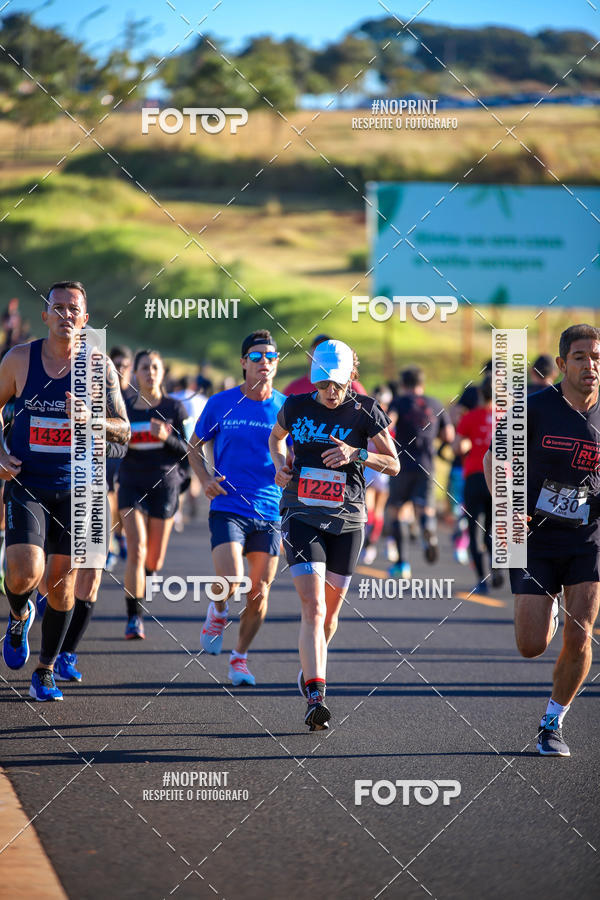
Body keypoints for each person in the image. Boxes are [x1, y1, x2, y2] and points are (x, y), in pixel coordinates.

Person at [0, 281, 130, 700]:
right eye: (57, 307)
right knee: (24, 570)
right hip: (27, 482)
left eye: (73, 309)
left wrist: (91, 420)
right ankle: (20, 615)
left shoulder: (99, 367)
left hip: (81, 490)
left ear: (85, 319)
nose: (65, 315)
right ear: (45, 315)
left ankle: (45, 669)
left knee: (60, 584)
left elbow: (123, 432)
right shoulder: (20, 359)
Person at [483, 324, 600, 757]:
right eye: (581, 357)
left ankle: (553, 722)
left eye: (597, 358)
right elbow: (492, 458)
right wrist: (507, 504)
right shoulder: (531, 408)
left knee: (582, 634)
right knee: (531, 645)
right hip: (535, 534)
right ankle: (547, 615)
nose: (591, 366)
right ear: (563, 362)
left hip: (590, 536)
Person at [269, 339, 398, 730]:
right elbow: (275, 438)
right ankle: (316, 695)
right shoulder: (296, 406)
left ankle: (310, 668)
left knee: (329, 618)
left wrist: (355, 454)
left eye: (336, 385)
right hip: (301, 513)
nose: (329, 392)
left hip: (348, 520)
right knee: (314, 607)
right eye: (323, 384)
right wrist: (280, 465)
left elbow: (393, 463)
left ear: (350, 378)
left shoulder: (366, 410)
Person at [188, 330, 285, 686]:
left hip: (269, 509)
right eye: (257, 357)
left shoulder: (284, 407)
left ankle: (239, 657)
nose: (265, 363)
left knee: (259, 594)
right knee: (230, 578)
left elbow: (297, 452)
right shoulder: (221, 403)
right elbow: (194, 446)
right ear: (244, 363)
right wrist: (204, 478)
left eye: (271, 358)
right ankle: (217, 609)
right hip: (228, 502)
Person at [118, 350, 189, 639]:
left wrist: (166, 438)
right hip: (131, 484)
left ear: (162, 372)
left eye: (155, 367)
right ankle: (134, 618)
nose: (150, 372)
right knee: (136, 548)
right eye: (144, 367)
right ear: (135, 373)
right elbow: (112, 447)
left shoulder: (175, 408)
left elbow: (189, 451)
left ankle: (144, 581)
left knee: (154, 561)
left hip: (165, 486)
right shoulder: (124, 408)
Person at [387, 366, 454, 578]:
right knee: (426, 508)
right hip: (427, 464)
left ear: (404, 385)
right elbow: (449, 435)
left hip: (402, 465)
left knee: (397, 511)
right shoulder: (435, 404)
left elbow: (388, 424)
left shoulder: (398, 402)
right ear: (422, 384)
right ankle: (430, 533)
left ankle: (402, 564)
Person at [453, 376, 502, 594]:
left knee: (475, 528)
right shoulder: (507, 417)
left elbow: (458, 447)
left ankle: (482, 580)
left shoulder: (470, 417)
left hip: (475, 475)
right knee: (494, 528)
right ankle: (498, 568)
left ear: (480, 394)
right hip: (501, 477)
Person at [105, 345, 133, 569]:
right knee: (109, 495)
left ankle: (120, 536)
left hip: (131, 457)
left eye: (125, 365)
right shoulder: (106, 392)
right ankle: (111, 542)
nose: (121, 370)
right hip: (109, 454)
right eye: (117, 365)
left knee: (123, 502)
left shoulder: (135, 397)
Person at [283, 333, 367, 397]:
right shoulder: (294, 388)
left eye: (328, 352)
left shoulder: (353, 387)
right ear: (309, 356)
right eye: (318, 351)